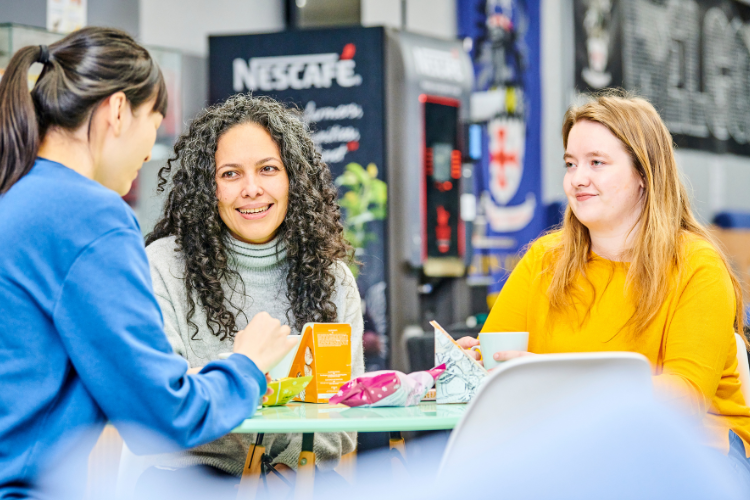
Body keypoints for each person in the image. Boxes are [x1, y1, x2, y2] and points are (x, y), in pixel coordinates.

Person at [0, 28, 296, 499]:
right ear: (118, 110)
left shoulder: (16, 192)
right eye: (155, 121)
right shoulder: (89, 215)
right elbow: (163, 414)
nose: (150, 149)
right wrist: (248, 364)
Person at [459, 91, 750, 487]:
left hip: (692, 454)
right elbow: (495, 370)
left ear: (644, 175)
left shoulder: (697, 266)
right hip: (568, 453)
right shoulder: (544, 260)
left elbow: (682, 401)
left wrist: (551, 384)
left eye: (597, 163)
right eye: (571, 163)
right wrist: (471, 362)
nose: (577, 179)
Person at [139, 94, 364, 492]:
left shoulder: (334, 279)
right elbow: (162, 406)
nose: (252, 189)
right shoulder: (162, 266)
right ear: (207, 187)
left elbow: (344, 422)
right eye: (230, 174)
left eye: (268, 169)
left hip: (300, 482)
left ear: (294, 177)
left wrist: (281, 472)